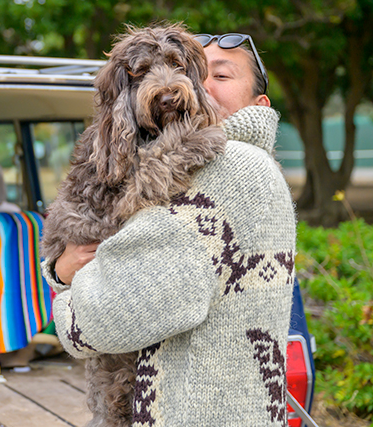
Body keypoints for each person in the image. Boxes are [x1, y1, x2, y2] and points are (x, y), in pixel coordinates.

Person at [44, 33, 296, 426]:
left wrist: (65, 292)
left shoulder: (229, 169)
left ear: (258, 103)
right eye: (198, 72)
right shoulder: (244, 167)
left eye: (221, 76)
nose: (198, 87)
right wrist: (65, 270)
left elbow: (97, 325)